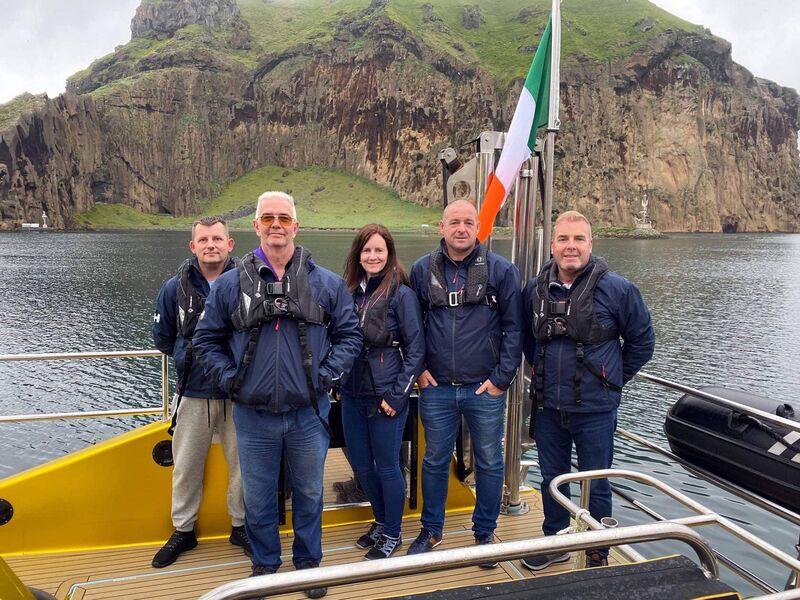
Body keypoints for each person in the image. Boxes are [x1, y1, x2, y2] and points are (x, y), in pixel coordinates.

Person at [192, 191, 361, 599]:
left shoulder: (327, 284)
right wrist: (231, 380)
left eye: (283, 217)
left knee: (309, 492)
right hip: (253, 415)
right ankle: (266, 564)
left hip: (309, 414)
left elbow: (349, 336)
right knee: (258, 494)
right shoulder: (231, 285)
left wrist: (325, 376)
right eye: (267, 218)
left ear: (296, 226)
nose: (276, 225)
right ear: (255, 227)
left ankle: (307, 566)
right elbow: (205, 340)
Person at [520, 210, 655, 571]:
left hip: (596, 410)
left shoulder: (619, 290)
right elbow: (527, 341)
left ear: (590, 244)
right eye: (563, 239)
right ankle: (556, 540)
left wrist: (612, 380)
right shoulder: (534, 290)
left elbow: (642, 342)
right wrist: (543, 377)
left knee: (596, 482)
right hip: (549, 407)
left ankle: (597, 547)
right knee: (552, 479)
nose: (571, 247)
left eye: (579, 239)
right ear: (552, 245)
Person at [406, 199, 523, 567]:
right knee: (435, 460)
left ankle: (484, 531)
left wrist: (501, 379)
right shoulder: (422, 270)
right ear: (441, 226)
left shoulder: (502, 271)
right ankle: (431, 529)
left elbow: (514, 329)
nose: (461, 228)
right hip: (436, 388)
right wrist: (420, 369)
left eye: (468, 222)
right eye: (454, 222)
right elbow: (412, 327)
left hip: (483, 389)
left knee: (489, 460)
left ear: (479, 228)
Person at [151, 216, 250, 568]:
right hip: (193, 391)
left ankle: (241, 526)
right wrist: (184, 357)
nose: (211, 244)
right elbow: (162, 338)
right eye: (204, 239)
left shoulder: (248, 283)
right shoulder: (173, 289)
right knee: (187, 465)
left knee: (243, 465)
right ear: (193, 246)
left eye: (217, 238)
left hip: (238, 392)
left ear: (230, 244)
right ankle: (183, 530)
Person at [340, 224, 425, 560]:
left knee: (388, 466)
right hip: (352, 393)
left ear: (389, 254)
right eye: (366, 250)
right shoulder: (348, 292)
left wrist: (397, 395)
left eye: (379, 250)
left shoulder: (401, 295)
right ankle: (379, 520)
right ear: (357, 255)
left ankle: (392, 532)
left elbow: (416, 350)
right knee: (362, 466)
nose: (372, 256)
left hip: (386, 394)